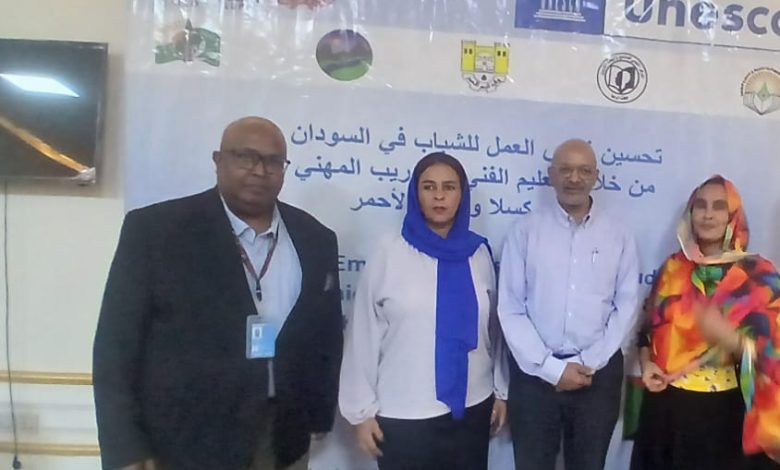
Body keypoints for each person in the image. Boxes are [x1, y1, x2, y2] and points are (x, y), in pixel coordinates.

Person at [93, 116, 344, 470]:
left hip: (281, 437)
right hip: (182, 441)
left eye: (273, 161)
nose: (259, 170)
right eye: (246, 157)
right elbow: (116, 346)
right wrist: (124, 447)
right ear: (218, 160)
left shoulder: (316, 238)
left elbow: (326, 334)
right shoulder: (157, 231)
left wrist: (319, 412)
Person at [339, 152, 508, 470]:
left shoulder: (478, 253)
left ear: (462, 195)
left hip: (473, 407)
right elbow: (362, 334)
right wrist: (360, 412)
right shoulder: (388, 253)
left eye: (449, 187)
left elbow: (494, 332)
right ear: (416, 194)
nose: (439, 196)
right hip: (406, 413)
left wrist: (501, 391)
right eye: (429, 187)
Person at [498, 138, 640, 470]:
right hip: (534, 377)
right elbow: (511, 308)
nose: (574, 178)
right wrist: (553, 369)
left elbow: (626, 306)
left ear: (596, 177)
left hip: (597, 377)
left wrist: (587, 363)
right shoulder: (524, 231)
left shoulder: (619, 235)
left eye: (584, 171)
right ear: (551, 175)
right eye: (565, 170)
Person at [631, 175, 780, 470]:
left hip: (726, 415)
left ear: (733, 216)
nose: (708, 214)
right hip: (667, 411)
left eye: (719, 206)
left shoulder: (757, 275)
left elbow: (774, 351)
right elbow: (646, 331)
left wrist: (732, 340)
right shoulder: (672, 268)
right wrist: (647, 364)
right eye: (700, 205)